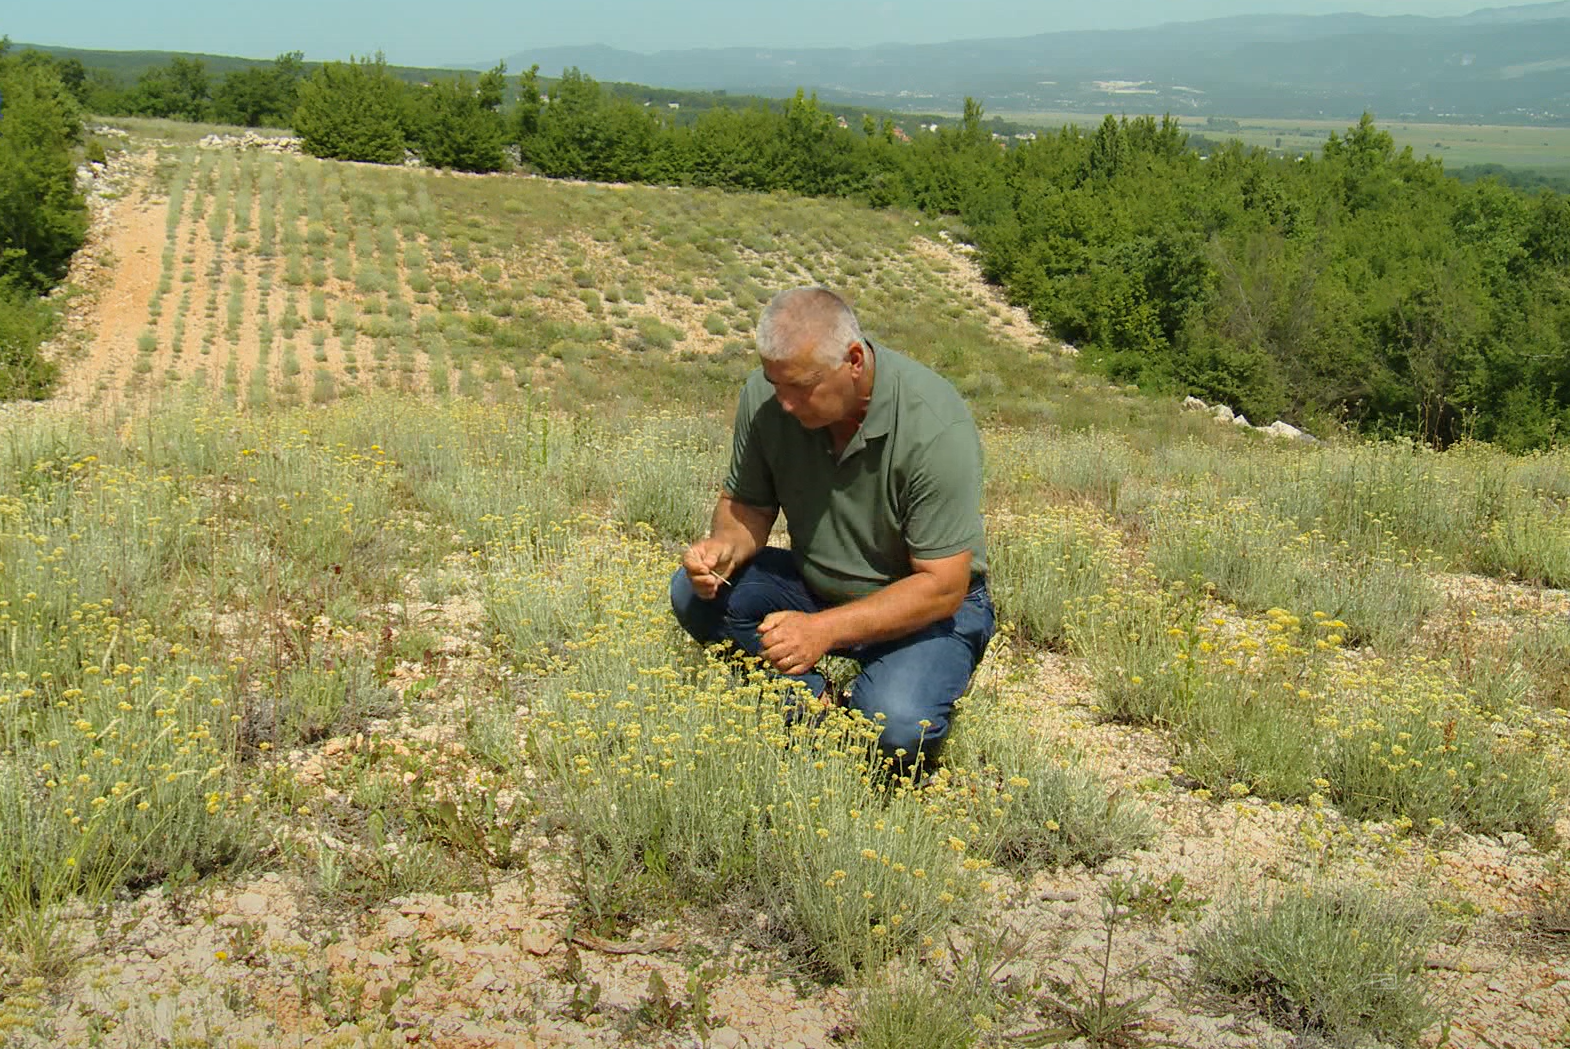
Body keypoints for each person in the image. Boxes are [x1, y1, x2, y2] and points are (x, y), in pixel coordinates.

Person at [669, 286, 995, 779]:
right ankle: (809, 701)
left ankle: (896, 683)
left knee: (896, 727)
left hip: (926, 609)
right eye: (773, 382)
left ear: (855, 361)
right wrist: (723, 550)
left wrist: (822, 631)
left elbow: (942, 586)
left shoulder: (933, 425)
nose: (784, 403)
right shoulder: (769, 401)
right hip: (816, 586)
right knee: (691, 595)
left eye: (800, 387)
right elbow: (747, 507)